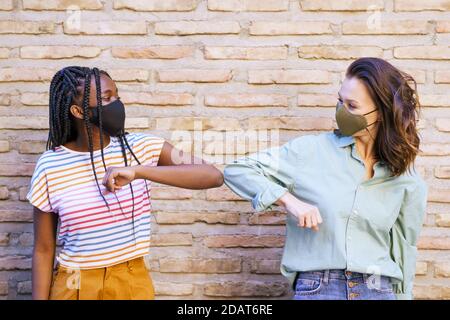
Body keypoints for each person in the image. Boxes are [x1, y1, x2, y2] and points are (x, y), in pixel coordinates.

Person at [223, 57, 428, 300]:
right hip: (320, 288)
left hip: (378, 289)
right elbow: (237, 170)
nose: (342, 111)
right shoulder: (309, 151)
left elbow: (404, 247)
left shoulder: (404, 176)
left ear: (382, 113)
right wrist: (289, 200)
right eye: (340, 101)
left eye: (352, 106)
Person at [27, 66, 223, 300]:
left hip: (131, 281)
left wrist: (139, 171)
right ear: (78, 111)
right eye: (106, 98)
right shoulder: (51, 165)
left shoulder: (142, 147)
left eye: (117, 96)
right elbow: (43, 249)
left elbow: (212, 175)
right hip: (74, 284)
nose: (117, 104)